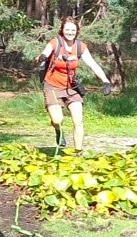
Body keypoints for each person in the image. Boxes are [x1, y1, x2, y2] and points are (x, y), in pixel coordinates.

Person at [36, 16, 112, 151]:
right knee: (57, 120)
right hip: (52, 86)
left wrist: (105, 81)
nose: (70, 32)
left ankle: (78, 152)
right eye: (67, 30)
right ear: (62, 30)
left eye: (73, 30)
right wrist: (42, 57)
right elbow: (44, 53)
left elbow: (93, 64)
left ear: (77, 31)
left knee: (78, 121)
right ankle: (58, 130)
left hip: (71, 88)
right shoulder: (55, 42)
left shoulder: (80, 46)